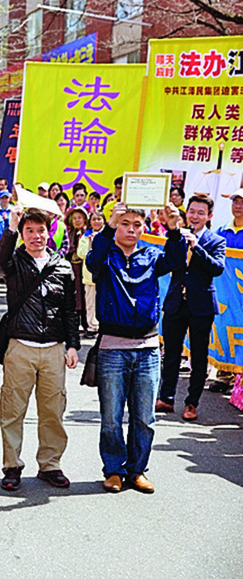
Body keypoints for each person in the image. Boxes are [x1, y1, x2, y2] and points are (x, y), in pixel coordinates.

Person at [87, 202, 185, 493]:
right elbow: (92, 262)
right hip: (112, 348)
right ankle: (113, 470)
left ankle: (137, 470)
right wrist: (107, 225)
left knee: (144, 417)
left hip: (148, 348)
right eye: (124, 223)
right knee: (111, 417)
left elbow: (177, 261)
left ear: (144, 228)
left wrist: (175, 228)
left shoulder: (152, 256)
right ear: (117, 224)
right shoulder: (106, 255)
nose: (130, 229)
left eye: (136, 224)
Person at [0, 206, 80, 491]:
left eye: (40, 230)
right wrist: (11, 226)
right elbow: (0, 260)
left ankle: (50, 464)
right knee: (13, 409)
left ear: (49, 231)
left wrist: (72, 345)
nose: (35, 236)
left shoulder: (63, 266)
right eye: (28, 231)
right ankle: (12, 465)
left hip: (54, 348)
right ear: (22, 234)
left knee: (53, 410)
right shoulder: (15, 261)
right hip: (20, 345)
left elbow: (70, 310)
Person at [157, 195, 226, 421]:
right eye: (192, 211)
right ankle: (166, 398)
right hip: (176, 302)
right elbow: (169, 261)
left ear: (209, 217)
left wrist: (196, 247)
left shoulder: (216, 241)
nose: (195, 216)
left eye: (200, 213)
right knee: (171, 354)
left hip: (201, 305)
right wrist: (176, 236)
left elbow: (217, 269)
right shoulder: (177, 235)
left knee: (198, 355)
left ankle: (191, 402)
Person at [212, 188, 243, 393]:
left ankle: (238, 378)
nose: (238, 206)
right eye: (235, 202)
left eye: (242, 202)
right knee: (224, 327)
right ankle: (224, 374)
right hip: (225, 290)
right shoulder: (222, 230)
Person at [76, 210, 105, 335]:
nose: (96, 222)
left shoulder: (109, 235)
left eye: (99, 219)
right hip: (89, 275)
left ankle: (104, 326)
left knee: (104, 301)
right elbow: (81, 254)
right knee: (90, 302)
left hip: (105, 275)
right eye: (94, 219)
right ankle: (92, 327)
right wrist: (90, 243)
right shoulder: (85, 236)